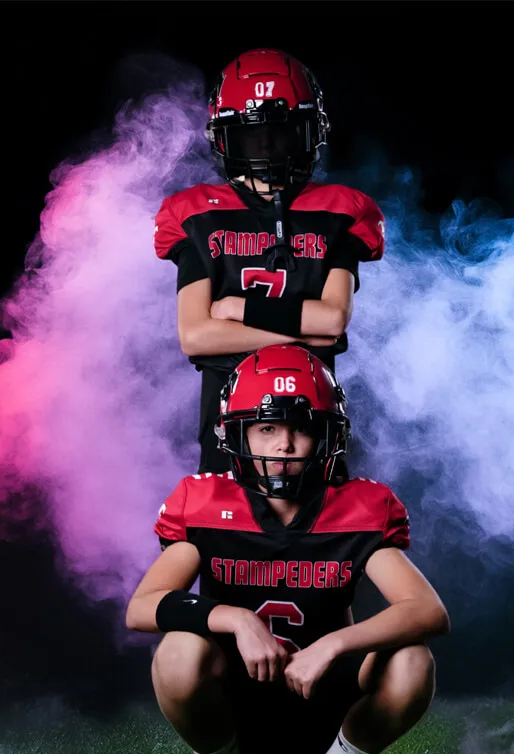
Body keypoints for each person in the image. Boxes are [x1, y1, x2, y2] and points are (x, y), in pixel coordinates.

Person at [126, 344, 450, 754]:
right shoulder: (205, 505)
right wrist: (235, 619)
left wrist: (332, 644)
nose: (284, 445)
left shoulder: (359, 509)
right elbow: (143, 607)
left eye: (301, 428)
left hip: (327, 698)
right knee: (177, 652)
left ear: (327, 436)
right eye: (267, 427)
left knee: (412, 660)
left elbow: (427, 611)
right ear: (236, 434)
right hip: (236, 700)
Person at [154, 47, 385, 474]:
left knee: (322, 528)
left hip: (312, 417)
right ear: (225, 138)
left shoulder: (339, 211)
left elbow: (333, 322)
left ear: (308, 132)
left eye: (281, 134)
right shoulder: (197, 215)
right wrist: (300, 335)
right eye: (252, 136)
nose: (266, 149)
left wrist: (235, 311)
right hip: (229, 419)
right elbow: (195, 336)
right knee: (222, 530)